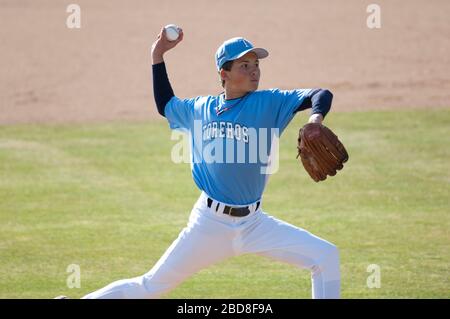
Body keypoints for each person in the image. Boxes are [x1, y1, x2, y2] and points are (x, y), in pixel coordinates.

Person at [80, 27, 340, 299]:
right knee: (150, 286)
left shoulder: (270, 102)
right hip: (208, 224)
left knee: (325, 256)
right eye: (244, 65)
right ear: (223, 74)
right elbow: (165, 103)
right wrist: (157, 56)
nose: (254, 71)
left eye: (256, 65)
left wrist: (315, 119)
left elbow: (320, 94)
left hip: (255, 224)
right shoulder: (199, 108)